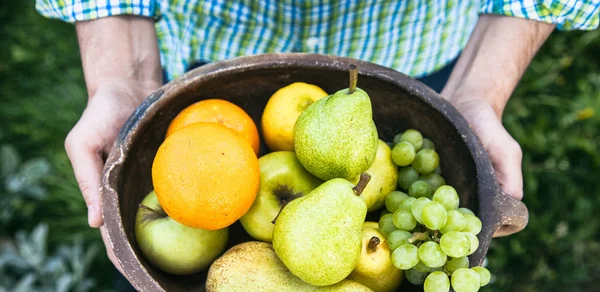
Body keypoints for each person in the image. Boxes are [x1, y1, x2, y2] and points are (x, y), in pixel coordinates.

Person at [37, 1, 598, 269]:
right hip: (214, 55)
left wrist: (478, 91)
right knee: (147, 220)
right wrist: (124, 73)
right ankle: (148, 289)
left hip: (402, 58)